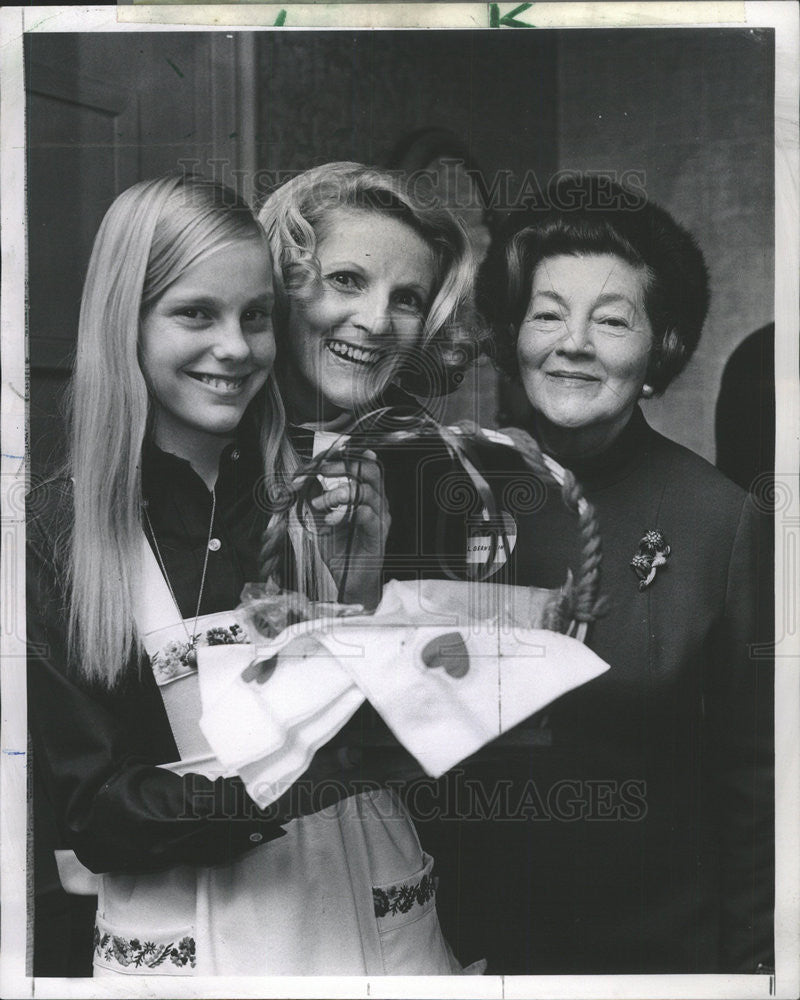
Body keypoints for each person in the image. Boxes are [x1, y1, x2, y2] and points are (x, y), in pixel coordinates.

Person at [27, 173, 464, 976]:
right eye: (196, 313)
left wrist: (363, 587)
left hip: (375, 921)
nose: (235, 347)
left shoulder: (328, 481)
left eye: (255, 317)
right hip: (189, 944)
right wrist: (283, 783)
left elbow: (428, 724)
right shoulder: (56, 535)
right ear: (126, 321)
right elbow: (91, 813)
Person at [427, 174, 774, 974]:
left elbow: (756, 785)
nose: (572, 342)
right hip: (462, 947)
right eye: (547, 314)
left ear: (663, 351)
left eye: (611, 321)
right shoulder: (448, 491)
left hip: (655, 952)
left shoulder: (724, 521)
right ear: (514, 336)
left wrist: (756, 972)